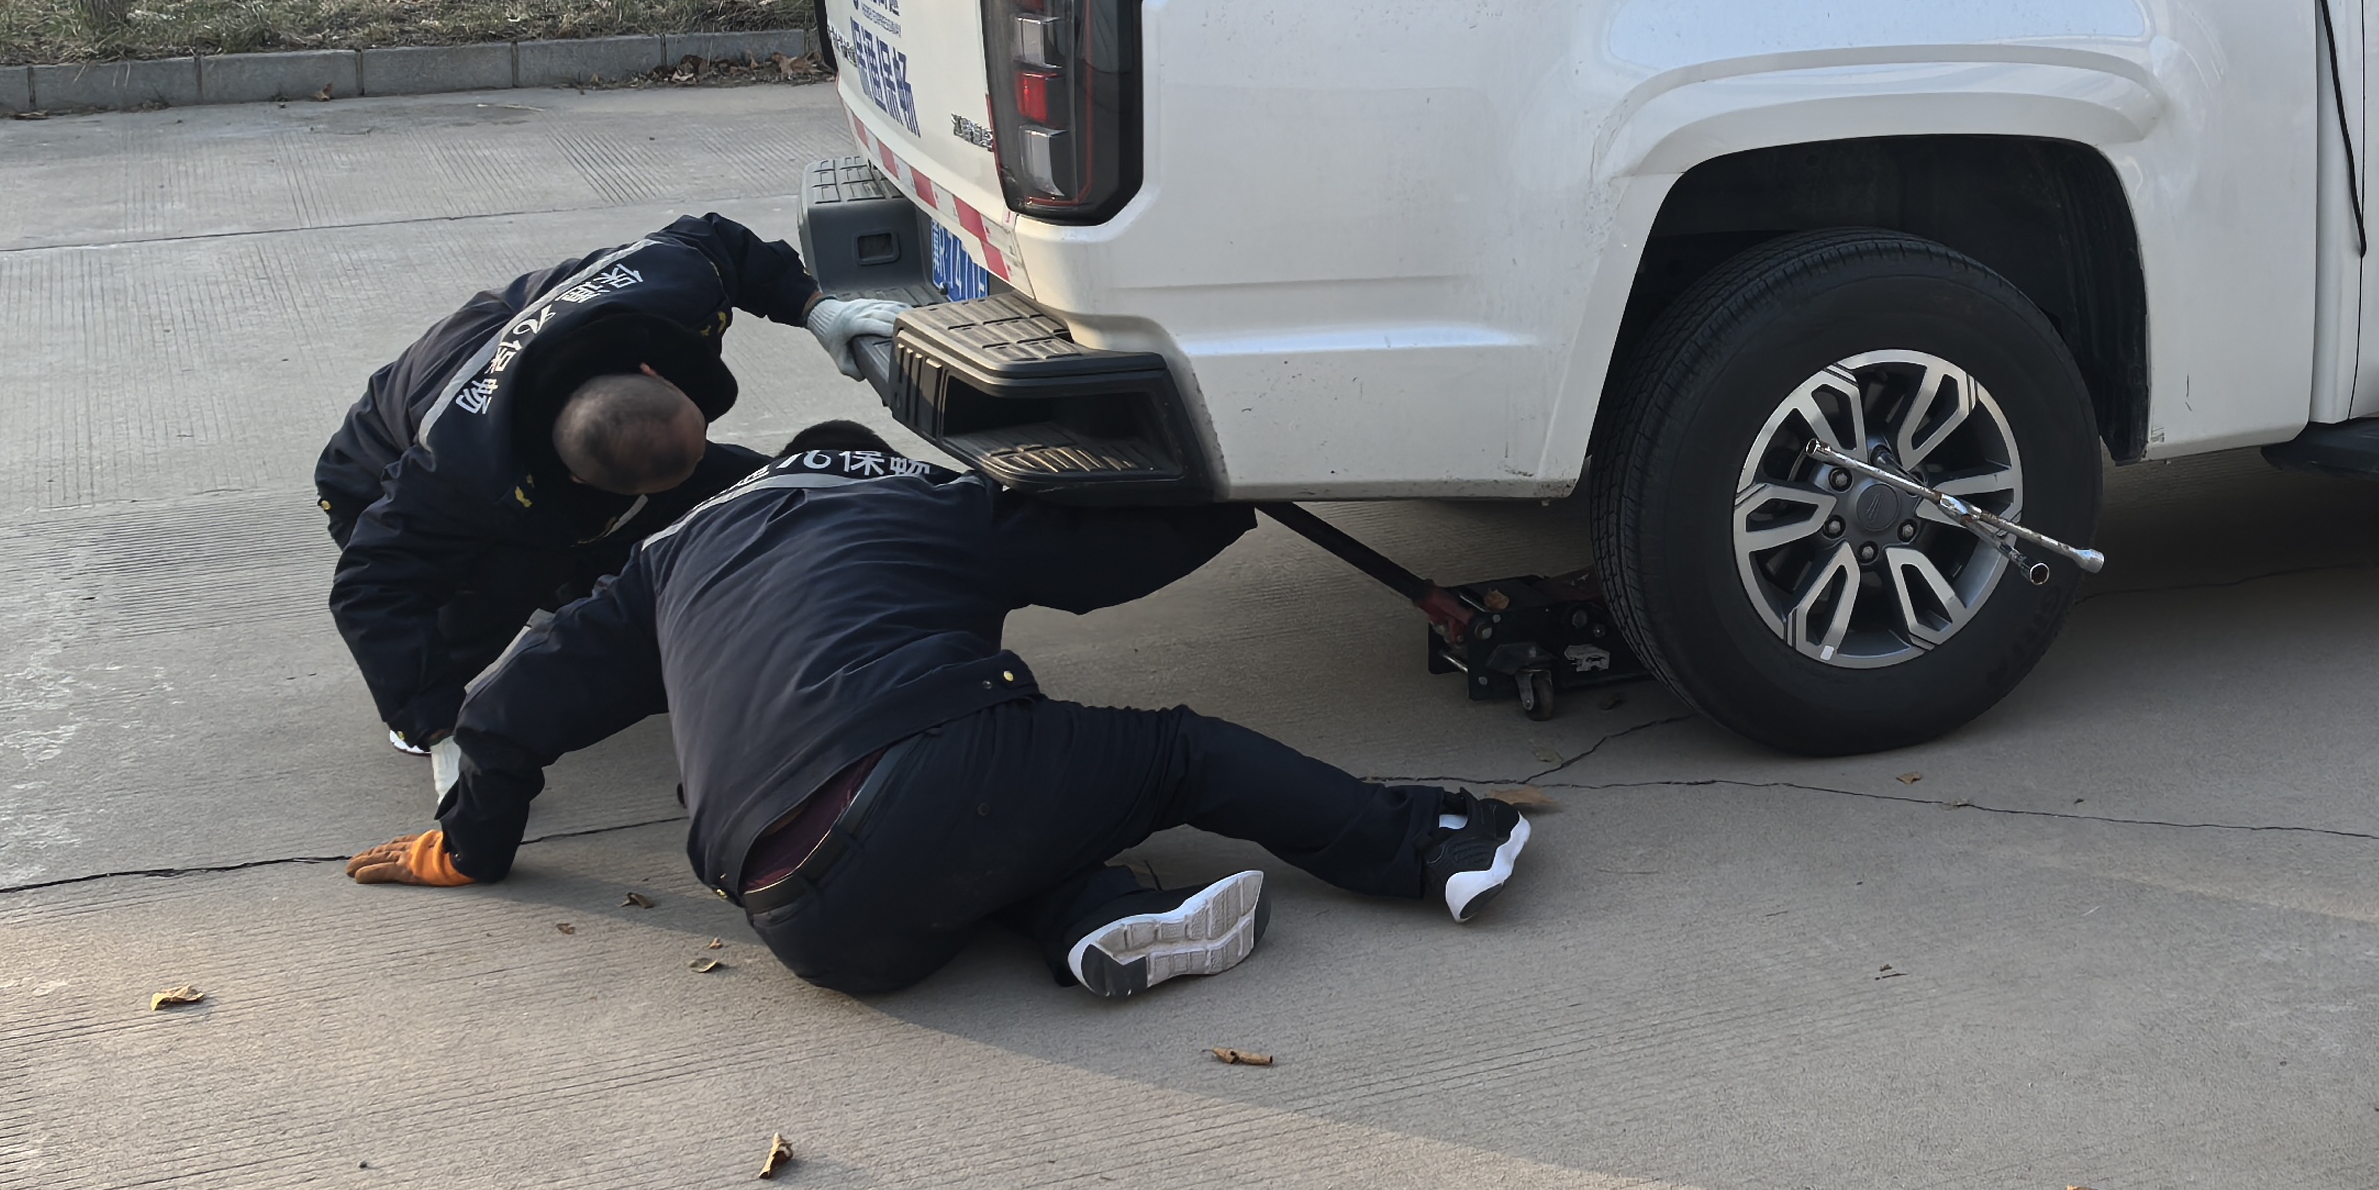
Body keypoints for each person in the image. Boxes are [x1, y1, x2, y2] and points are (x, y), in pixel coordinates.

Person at [343, 426, 1536, 998]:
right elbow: (1118, 555)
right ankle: (1432, 845)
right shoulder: (924, 506)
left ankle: (1091, 918)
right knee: (1175, 753)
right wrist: (1249, 472)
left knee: (991, 809)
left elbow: (503, 709)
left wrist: (474, 846)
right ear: (862, 463)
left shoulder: (662, 569)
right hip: (927, 774)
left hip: (808, 928)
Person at [319, 211, 910, 750]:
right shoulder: (460, 476)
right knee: (520, 572)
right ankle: (545, 603)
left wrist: (813, 308)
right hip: (369, 481)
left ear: (657, 375)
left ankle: (587, 572)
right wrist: (430, 716)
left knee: (749, 496)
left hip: (544, 381)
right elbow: (370, 587)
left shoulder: (670, 284)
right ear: (578, 480)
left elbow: (719, 240)